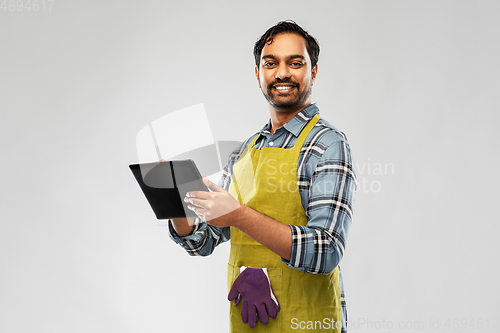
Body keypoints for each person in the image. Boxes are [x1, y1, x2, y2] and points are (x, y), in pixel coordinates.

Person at [168, 21, 357, 332]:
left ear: (314, 71)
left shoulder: (327, 144)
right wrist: (175, 201)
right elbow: (204, 240)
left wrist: (239, 214)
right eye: (271, 63)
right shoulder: (244, 152)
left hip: (307, 321)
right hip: (251, 323)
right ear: (258, 74)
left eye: (295, 63)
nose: (282, 73)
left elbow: (327, 249)